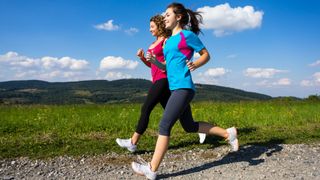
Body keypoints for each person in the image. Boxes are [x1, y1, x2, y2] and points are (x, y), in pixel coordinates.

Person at [131, 3, 239, 179]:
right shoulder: (168, 42)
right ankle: (228, 133)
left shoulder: (186, 36)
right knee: (189, 126)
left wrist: (195, 64)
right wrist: (152, 61)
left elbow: (206, 54)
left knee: (164, 125)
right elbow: (166, 67)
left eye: (167, 15)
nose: (164, 18)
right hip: (175, 88)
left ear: (178, 17)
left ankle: (152, 169)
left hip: (184, 87)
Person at [116, 14, 206, 153]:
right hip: (158, 78)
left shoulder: (166, 41)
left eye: (152, 26)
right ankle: (197, 128)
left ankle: (133, 142)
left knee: (146, 108)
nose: (150, 29)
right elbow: (153, 66)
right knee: (182, 118)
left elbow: (168, 63)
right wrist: (142, 58)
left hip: (163, 79)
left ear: (160, 26)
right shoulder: (153, 43)